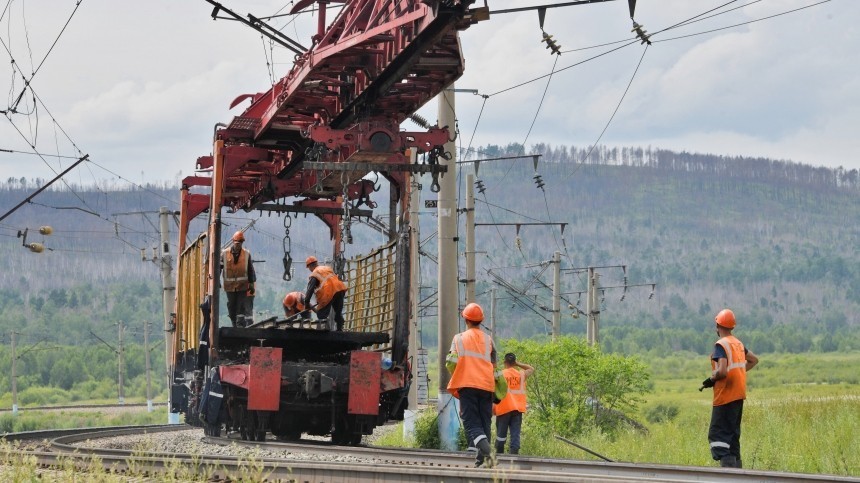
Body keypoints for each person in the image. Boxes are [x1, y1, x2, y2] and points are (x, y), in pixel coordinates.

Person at [701, 308, 759, 468]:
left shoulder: (721, 345)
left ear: (718, 325)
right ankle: (737, 476)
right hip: (738, 396)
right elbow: (753, 360)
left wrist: (711, 379)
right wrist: (739, 372)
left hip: (725, 397)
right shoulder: (738, 344)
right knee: (732, 439)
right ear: (732, 326)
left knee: (718, 437)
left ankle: (727, 476)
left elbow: (722, 370)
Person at [446, 302, 497, 468]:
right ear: (480, 320)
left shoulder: (459, 338)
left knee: (471, 423)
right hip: (487, 385)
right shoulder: (489, 340)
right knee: (484, 422)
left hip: (467, 384)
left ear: (466, 320)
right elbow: (494, 365)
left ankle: (489, 454)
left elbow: (451, 362)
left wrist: (457, 375)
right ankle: (482, 459)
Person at [493, 352, 535, 455]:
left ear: (504, 362)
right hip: (517, 409)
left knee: (501, 436)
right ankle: (513, 457)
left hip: (503, 408)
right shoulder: (521, 374)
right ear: (514, 362)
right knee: (515, 435)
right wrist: (517, 364)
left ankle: (499, 456)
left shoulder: (500, 374)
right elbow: (531, 369)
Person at [303, 256, 347, 331]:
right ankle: (340, 329)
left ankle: (324, 331)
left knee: (321, 314)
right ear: (316, 263)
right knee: (338, 312)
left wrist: (306, 302)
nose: (310, 270)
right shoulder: (327, 268)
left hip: (328, 292)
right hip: (340, 289)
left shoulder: (314, 274)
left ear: (310, 266)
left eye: (309, 268)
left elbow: (310, 290)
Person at [221, 231, 255, 327]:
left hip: (242, 286)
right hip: (230, 286)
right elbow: (219, 267)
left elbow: (250, 269)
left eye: (240, 243)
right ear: (233, 242)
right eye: (237, 243)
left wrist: (251, 283)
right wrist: (216, 282)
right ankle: (233, 322)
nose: (238, 245)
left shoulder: (246, 254)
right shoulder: (224, 253)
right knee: (231, 305)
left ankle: (239, 325)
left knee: (241, 306)